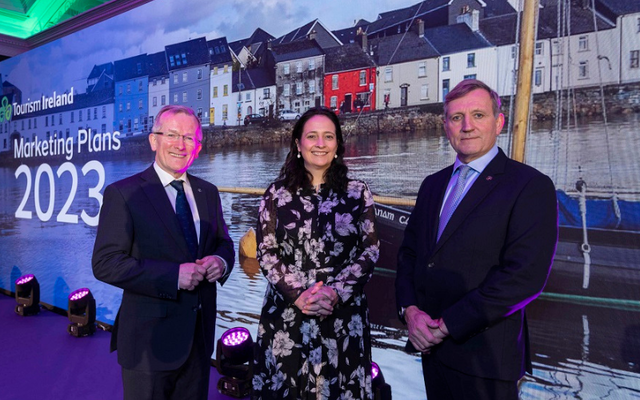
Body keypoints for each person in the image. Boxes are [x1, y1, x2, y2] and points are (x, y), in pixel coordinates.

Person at [395, 79, 558, 400]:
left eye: (478, 115)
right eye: (457, 118)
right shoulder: (432, 184)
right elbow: (410, 256)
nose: (467, 126)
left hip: (486, 358)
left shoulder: (530, 185)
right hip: (431, 351)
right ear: (445, 126)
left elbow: (524, 277)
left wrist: (447, 325)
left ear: (499, 122)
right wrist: (410, 311)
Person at [92, 105, 235, 400]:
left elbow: (224, 242)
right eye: (171, 135)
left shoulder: (208, 191)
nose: (180, 145)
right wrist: (174, 276)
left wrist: (220, 262)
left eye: (189, 137)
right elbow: (106, 263)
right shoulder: (123, 193)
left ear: (198, 146)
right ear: (153, 140)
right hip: (148, 344)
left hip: (199, 341)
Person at [252, 107, 379, 400]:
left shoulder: (358, 193)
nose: (320, 143)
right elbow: (266, 251)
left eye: (328, 136)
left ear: (337, 145)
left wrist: (335, 292)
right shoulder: (275, 194)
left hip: (343, 315)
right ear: (298, 144)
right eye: (312, 136)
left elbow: (369, 250)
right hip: (288, 313)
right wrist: (299, 294)